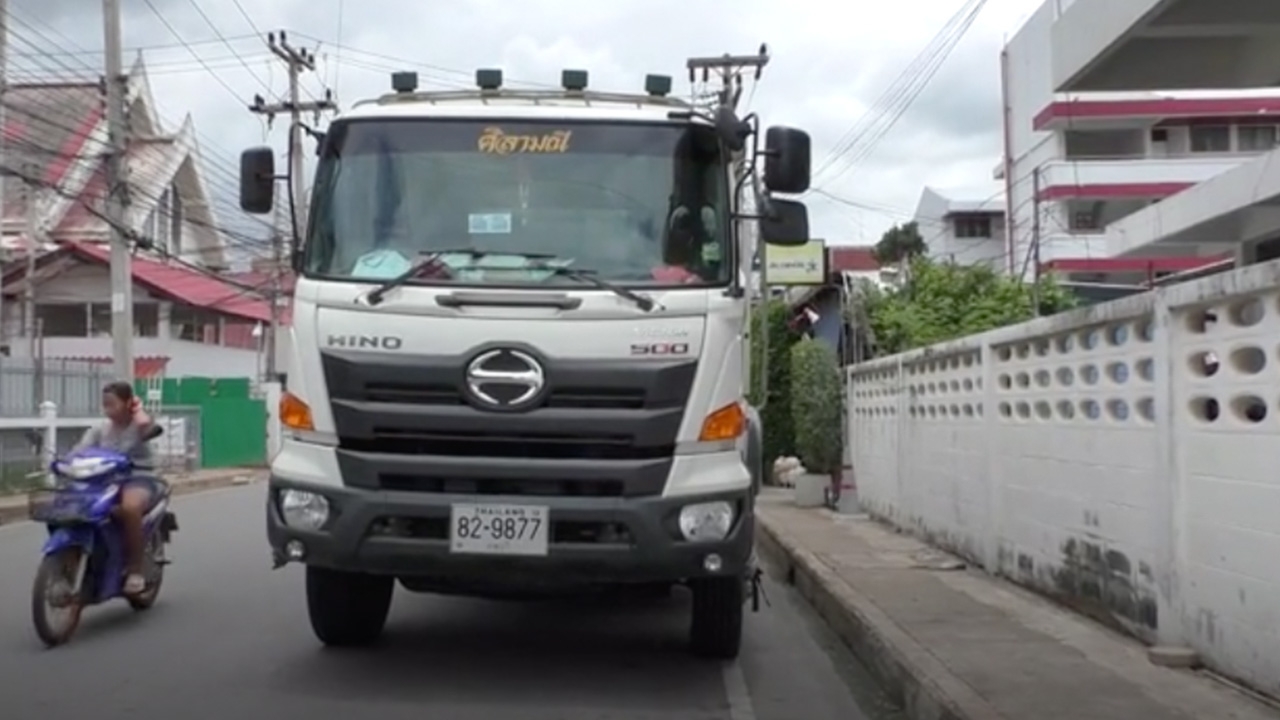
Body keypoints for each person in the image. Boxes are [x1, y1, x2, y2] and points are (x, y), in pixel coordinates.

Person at [72, 381, 159, 595]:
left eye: (112, 403)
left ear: (128, 403)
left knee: (130, 508)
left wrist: (137, 410)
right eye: (105, 404)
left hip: (138, 478)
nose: (107, 409)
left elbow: (148, 427)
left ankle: (135, 570)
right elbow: (79, 451)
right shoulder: (99, 430)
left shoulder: (139, 426)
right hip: (104, 481)